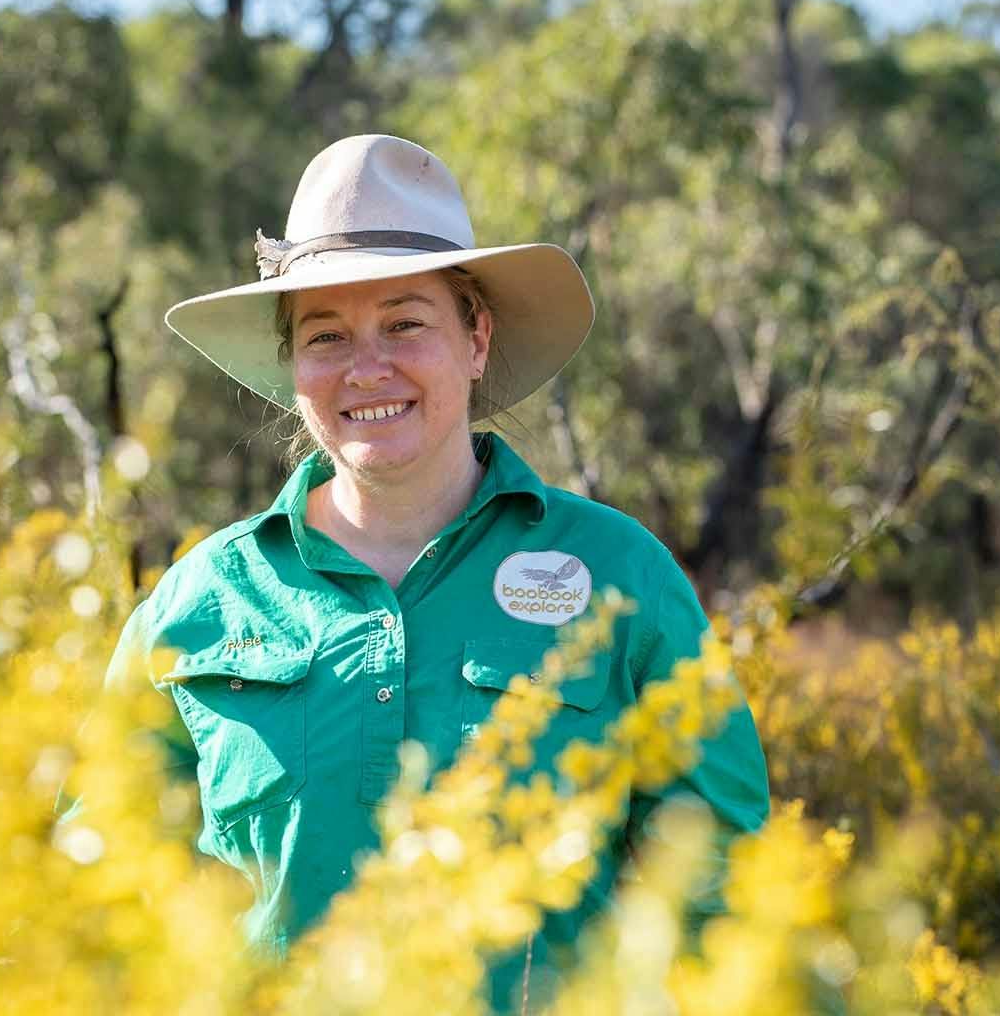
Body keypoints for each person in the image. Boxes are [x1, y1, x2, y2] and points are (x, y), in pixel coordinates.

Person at [96, 133, 769, 1010]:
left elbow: (724, 892)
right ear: (291, 365)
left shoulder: (620, 576)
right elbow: (106, 887)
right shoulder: (198, 602)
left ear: (476, 338)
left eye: (406, 323)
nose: (366, 368)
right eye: (326, 334)